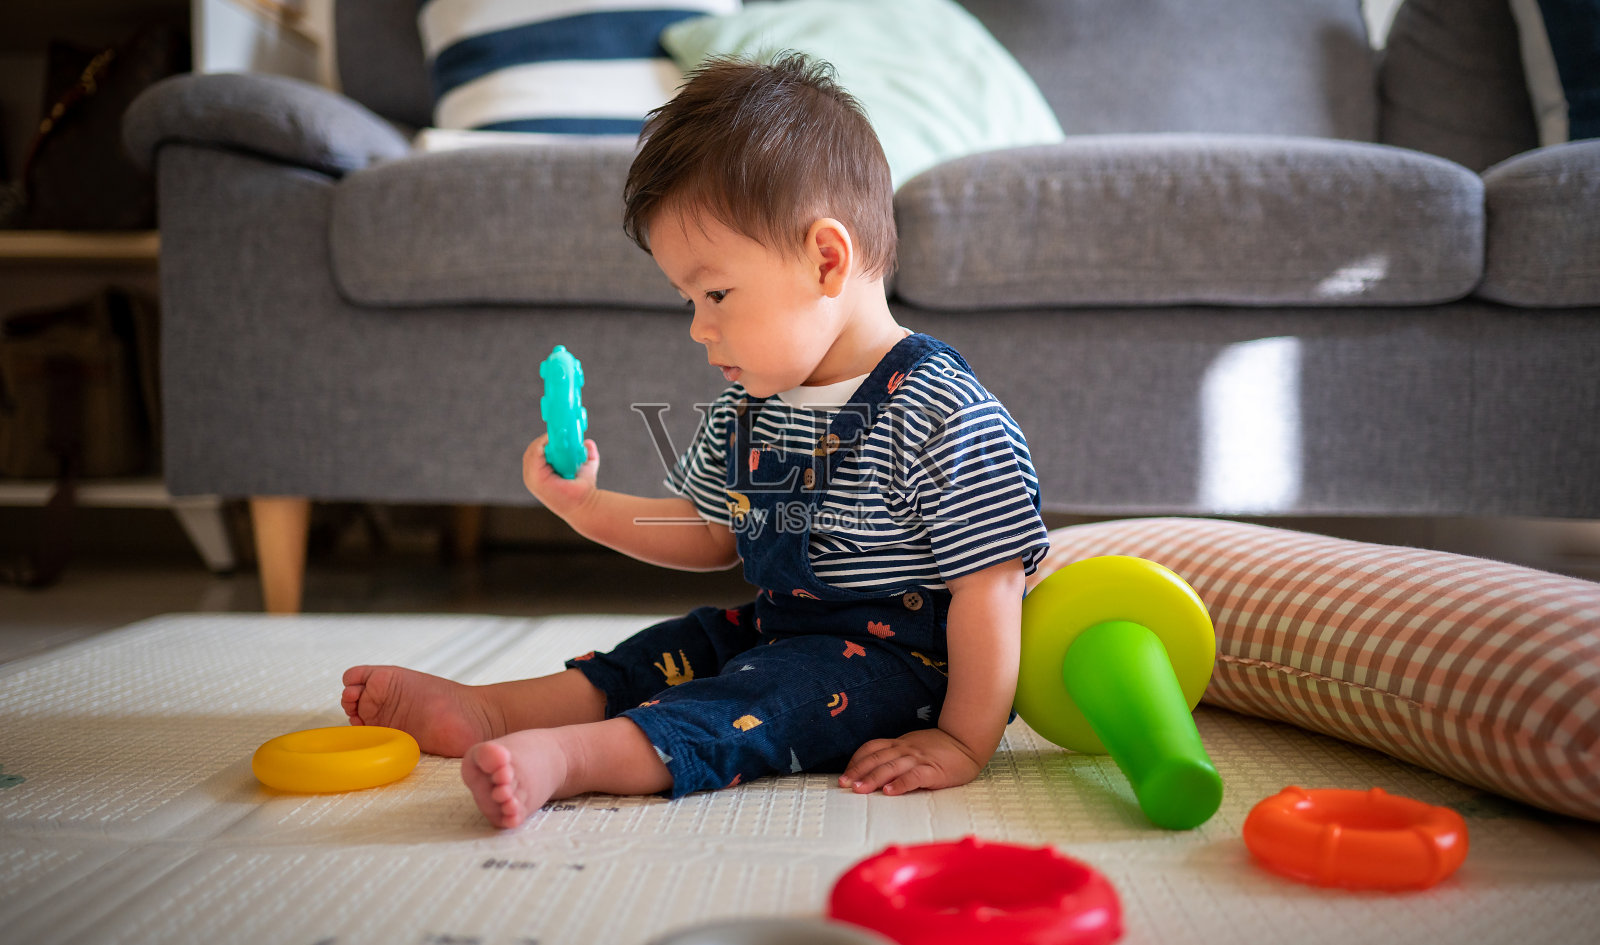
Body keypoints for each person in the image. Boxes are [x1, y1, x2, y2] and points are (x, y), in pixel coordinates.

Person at [340, 52, 1050, 828]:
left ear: (826, 259)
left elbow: (992, 589)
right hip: (785, 627)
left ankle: (573, 759)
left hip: (904, 668)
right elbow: (710, 530)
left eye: (715, 293)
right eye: (687, 298)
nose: (698, 327)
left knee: (757, 699)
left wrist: (960, 739)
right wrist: (585, 506)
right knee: (675, 647)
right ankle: (485, 708)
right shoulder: (752, 403)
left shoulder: (941, 410)